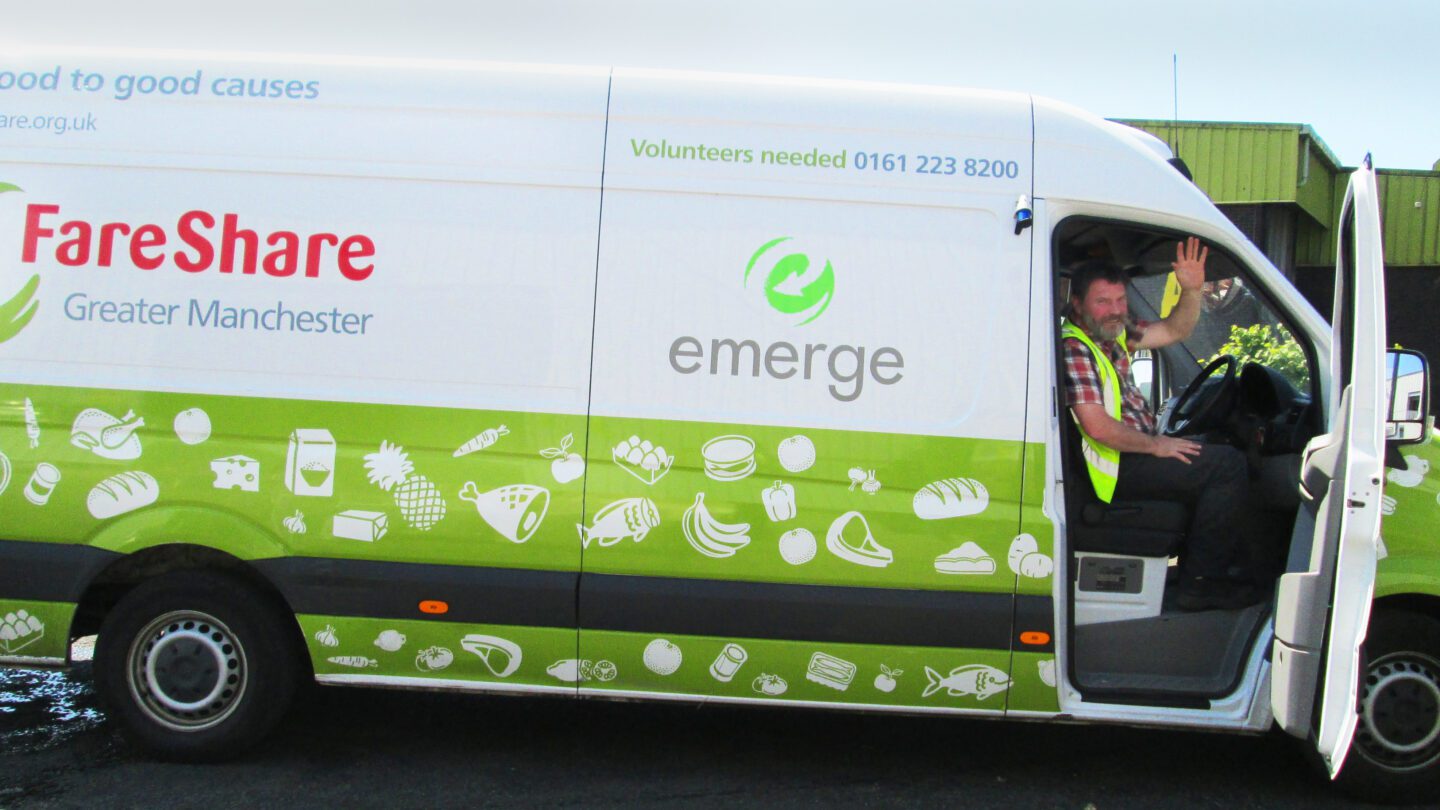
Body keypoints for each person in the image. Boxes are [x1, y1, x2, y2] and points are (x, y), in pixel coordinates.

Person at [1061, 237, 1258, 611]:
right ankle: (1202, 584)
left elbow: (1173, 331)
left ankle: (1213, 570)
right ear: (1078, 304)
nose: (1115, 310)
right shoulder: (1075, 346)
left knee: (1213, 449)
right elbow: (1098, 427)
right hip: (1114, 467)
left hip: (1129, 454)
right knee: (1226, 467)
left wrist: (1192, 290)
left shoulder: (1111, 333)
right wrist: (1157, 445)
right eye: (1103, 302)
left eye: (1121, 300)